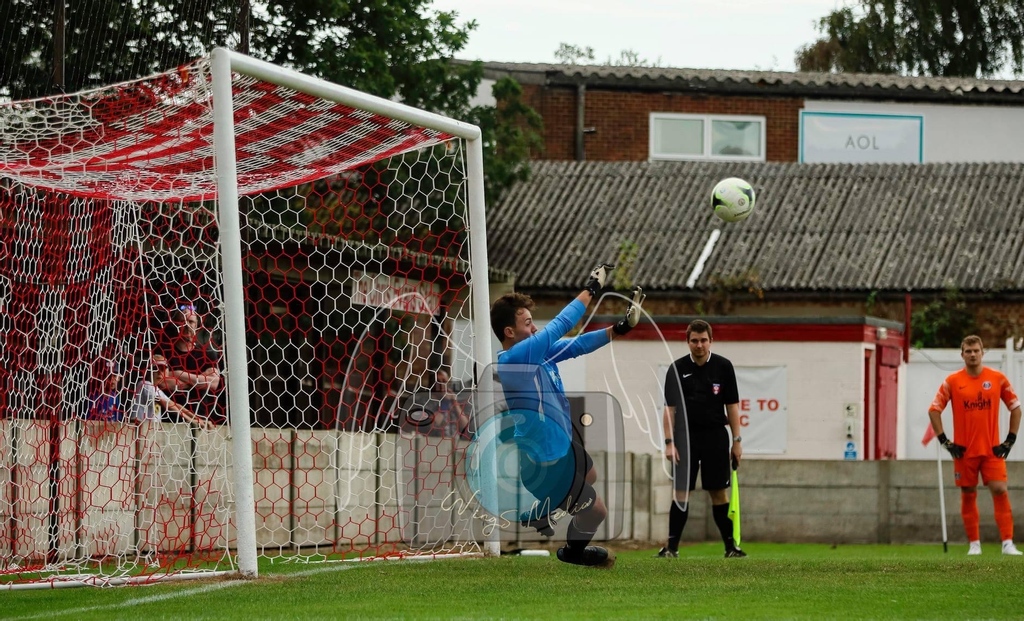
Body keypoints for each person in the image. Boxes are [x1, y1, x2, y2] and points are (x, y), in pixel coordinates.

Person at [490, 263, 644, 568]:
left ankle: (543, 511)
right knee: (597, 511)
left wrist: (621, 327)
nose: (535, 329)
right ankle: (573, 552)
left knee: (591, 475)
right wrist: (591, 289)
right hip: (544, 466)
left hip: (562, 449)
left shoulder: (537, 354)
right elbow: (561, 324)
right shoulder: (514, 360)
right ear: (509, 332)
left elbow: (578, 344)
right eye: (528, 323)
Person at [658, 319, 746, 559]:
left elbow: (732, 407)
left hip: (715, 437)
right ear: (688, 342)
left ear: (711, 341)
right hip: (685, 439)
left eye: (703, 340)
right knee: (681, 492)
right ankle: (671, 548)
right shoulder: (676, 369)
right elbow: (669, 410)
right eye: (694, 340)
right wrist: (669, 443)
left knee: (718, 493)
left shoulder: (723, 367)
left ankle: (731, 548)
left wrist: (737, 441)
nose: (699, 345)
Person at [927, 334, 1022, 556]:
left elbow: (1016, 408)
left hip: (992, 450)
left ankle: (1008, 543)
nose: (972, 355)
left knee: (1000, 490)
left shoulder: (997, 378)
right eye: (968, 351)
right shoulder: (952, 381)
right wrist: (945, 441)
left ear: (982, 352)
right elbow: (934, 410)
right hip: (964, 451)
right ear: (962, 354)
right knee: (968, 493)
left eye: (976, 351)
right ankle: (974, 544)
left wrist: (1010, 440)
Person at [155, 304, 223, 426]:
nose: (187, 325)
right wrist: (200, 380)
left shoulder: (207, 354)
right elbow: (161, 383)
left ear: (196, 325)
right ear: (176, 324)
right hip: (169, 421)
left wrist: (178, 373)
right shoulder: (164, 351)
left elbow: (213, 383)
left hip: (201, 421)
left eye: (191, 322)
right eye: (182, 321)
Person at [131, 354, 213, 429]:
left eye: (162, 369)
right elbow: (166, 404)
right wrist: (190, 420)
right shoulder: (145, 384)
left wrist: (198, 419)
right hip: (139, 431)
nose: (159, 373)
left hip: (150, 431)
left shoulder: (156, 389)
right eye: (155, 369)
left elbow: (175, 405)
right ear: (148, 371)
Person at [430, 369, 471, 438]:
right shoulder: (429, 402)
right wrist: (444, 402)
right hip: (435, 440)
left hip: (454, 441)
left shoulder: (454, 403)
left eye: (444, 381)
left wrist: (454, 401)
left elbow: (465, 426)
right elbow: (436, 423)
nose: (441, 384)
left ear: (448, 383)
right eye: (438, 382)